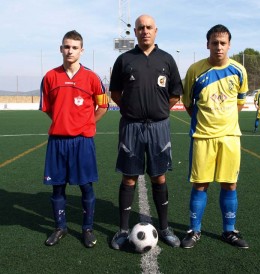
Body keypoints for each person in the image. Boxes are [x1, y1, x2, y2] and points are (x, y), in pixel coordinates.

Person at [109, 14, 183, 250]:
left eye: (149, 27)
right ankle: (122, 230)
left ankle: (164, 228)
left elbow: (174, 94)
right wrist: (132, 111)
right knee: (129, 177)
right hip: (131, 127)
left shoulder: (167, 60)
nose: (145, 31)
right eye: (140, 28)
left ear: (156, 31)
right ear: (136, 32)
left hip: (159, 128)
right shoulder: (124, 60)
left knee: (159, 176)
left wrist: (159, 110)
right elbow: (116, 94)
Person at [181, 24, 249, 249]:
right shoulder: (195, 70)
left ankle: (229, 231)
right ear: (207, 44)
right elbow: (188, 104)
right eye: (214, 43)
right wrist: (206, 122)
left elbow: (240, 102)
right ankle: (194, 230)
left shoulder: (239, 70)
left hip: (230, 137)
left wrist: (225, 123)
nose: (218, 47)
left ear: (229, 45)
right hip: (202, 137)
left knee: (230, 184)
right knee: (200, 184)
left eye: (223, 43)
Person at [40, 30, 109, 248]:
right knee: (57, 188)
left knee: (86, 187)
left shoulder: (92, 78)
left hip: (82, 141)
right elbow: (48, 109)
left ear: (82, 51)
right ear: (61, 49)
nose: (70, 51)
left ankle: (87, 228)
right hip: (58, 142)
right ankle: (60, 227)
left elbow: (103, 105)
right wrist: (62, 122)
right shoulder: (50, 77)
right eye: (66, 47)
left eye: (74, 47)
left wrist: (87, 123)